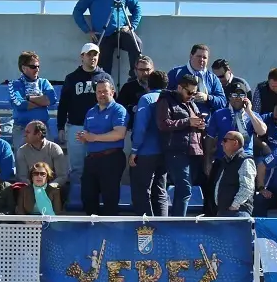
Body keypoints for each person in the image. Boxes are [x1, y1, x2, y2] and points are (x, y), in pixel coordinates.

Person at [73, 0, 143, 80]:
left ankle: (135, 77)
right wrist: (87, 30)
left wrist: (132, 26)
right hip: (102, 34)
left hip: (121, 31)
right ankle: (105, 90)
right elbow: (77, 11)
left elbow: (136, 7)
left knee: (136, 44)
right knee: (104, 69)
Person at [58, 43, 110, 188]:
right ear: (82, 56)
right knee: (77, 168)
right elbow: (63, 104)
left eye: (95, 54)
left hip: (100, 130)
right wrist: (60, 126)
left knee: (99, 167)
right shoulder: (72, 78)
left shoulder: (105, 78)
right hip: (77, 126)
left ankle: (95, 198)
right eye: (89, 54)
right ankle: (77, 198)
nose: (92, 57)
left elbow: (113, 104)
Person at [158, 73, 206, 217]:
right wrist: (187, 122)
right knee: (184, 189)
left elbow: (194, 121)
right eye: (189, 92)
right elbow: (163, 124)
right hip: (176, 150)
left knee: (186, 188)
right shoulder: (166, 100)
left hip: (193, 151)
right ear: (180, 87)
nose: (191, 95)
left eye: (194, 93)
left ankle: (178, 220)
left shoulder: (191, 103)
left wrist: (201, 124)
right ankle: (178, 222)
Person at [79, 77, 128, 216]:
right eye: (98, 91)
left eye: (104, 91)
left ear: (112, 92)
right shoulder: (91, 111)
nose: (101, 94)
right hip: (92, 159)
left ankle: (110, 234)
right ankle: (91, 234)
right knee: (88, 198)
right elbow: (87, 135)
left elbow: (119, 133)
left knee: (110, 200)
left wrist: (94, 137)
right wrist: (84, 137)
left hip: (111, 158)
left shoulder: (119, 110)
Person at [129, 71, 168, 217]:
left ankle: (146, 229)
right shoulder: (170, 98)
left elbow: (140, 127)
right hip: (165, 152)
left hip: (146, 152)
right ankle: (163, 226)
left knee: (141, 192)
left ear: (148, 84)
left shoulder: (146, 99)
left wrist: (134, 150)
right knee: (160, 191)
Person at [8, 51, 57, 147]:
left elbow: (51, 99)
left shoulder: (44, 82)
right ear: (23, 68)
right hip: (22, 129)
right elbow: (20, 104)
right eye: (33, 67)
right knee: (23, 160)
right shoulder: (14, 84)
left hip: (42, 128)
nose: (37, 69)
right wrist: (41, 103)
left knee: (46, 160)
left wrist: (28, 98)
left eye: (38, 66)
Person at [167, 44, 228, 116]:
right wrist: (184, 95)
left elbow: (222, 102)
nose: (201, 60)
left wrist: (207, 98)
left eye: (204, 57)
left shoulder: (212, 78)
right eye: (199, 56)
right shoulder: (175, 73)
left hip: (206, 124)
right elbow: (166, 96)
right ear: (191, 56)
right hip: (183, 123)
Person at [208, 130, 256, 217]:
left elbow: (247, 187)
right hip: (224, 212)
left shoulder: (245, 160)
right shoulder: (225, 161)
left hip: (238, 213)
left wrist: (234, 206)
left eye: (225, 140)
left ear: (235, 143)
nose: (222, 143)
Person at [15, 120, 69, 187]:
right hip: (30, 189)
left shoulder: (54, 149)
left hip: (52, 189)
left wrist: (49, 187)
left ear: (39, 134)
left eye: (28, 132)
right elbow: (22, 177)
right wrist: (35, 189)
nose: (24, 135)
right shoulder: (22, 151)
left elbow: (62, 176)